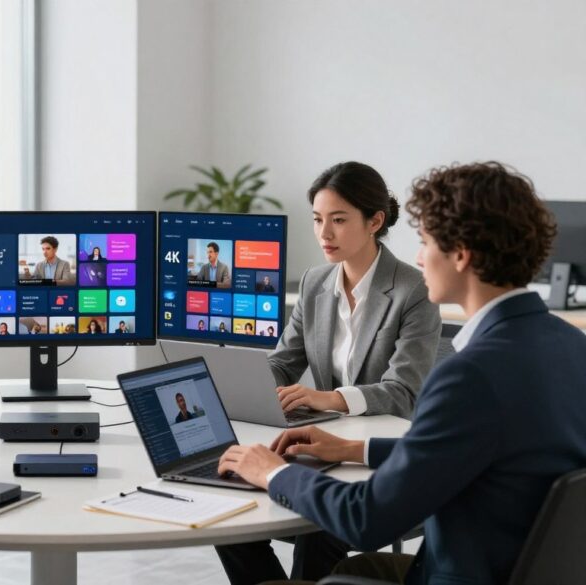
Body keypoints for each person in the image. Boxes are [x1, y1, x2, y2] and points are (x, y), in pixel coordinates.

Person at [217, 161, 586, 585]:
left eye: (425, 241)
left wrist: (273, 472)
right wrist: (354, 449)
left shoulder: (468, 376)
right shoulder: (572, 345)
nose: (418, 256)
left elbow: (365, 518)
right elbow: (469, 448)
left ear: (461, 254)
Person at [215, 162, 441, 584]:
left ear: (374, 221)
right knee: (228, 505)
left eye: (338, 220)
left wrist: (332, 398)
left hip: (377, 454)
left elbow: (404, 392)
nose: (324, 233)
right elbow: (284, 362)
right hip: (318, 443)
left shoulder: (414, 290)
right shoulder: (315, 282)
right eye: (318, 220)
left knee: (319, 531)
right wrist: (241, 381)